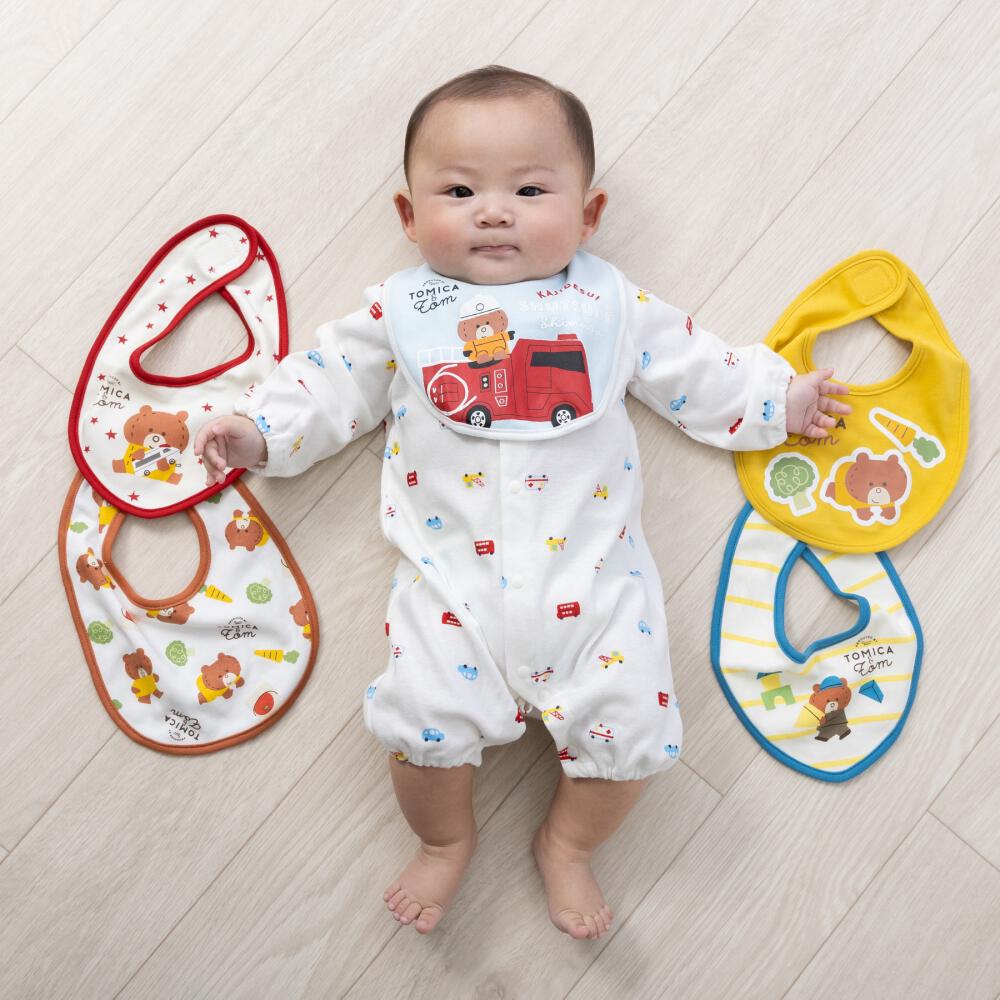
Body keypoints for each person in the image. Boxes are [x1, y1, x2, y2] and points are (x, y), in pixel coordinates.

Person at [193, 65, 851, 941]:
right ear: (408, 215)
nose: (494, 212)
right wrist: (258, 432)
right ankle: (445, 838)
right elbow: (327, 383)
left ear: (588, 213)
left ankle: (569, 844)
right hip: (451, 595)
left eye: (530, 191)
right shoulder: (402, 313)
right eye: (460, 191)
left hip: (596, 590)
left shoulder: (608, 305)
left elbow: (695, 368)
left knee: (633, 733)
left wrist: (774, 400)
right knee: (422, 728)